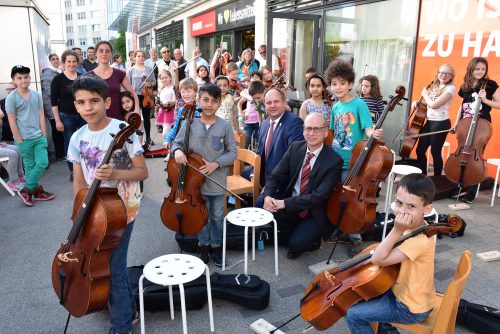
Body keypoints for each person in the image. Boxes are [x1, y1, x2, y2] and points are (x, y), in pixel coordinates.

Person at [67, 75, 148, 334]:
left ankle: (123, 323)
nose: (88, 107)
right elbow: (79, 181)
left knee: (112, 266)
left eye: (94, 101)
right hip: (94, 209)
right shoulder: (77, 137)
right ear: (76, 106)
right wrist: (79, 213)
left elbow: (142, 172)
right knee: (106, 264)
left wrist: (114, 174)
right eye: (81, 102)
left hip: (122, 209)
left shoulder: (124, 129)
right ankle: (127, 307)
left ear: (107, 101)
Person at [346, 173, 437, 333]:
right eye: (399, 203)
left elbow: (379, 258)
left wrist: (396, 229)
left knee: (353, 315)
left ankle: (384, 326)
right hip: (407, 293)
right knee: (363, 292)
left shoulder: (419, 240)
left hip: (408, 307)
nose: (402, 211)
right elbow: (383, 249)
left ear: (427, 209)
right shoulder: (415, 227)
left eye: (411, 206)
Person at [258, 113, 343, 258]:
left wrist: (283, 203)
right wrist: (267, 197)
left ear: (325, 132)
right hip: (292, 203)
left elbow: (319, 196)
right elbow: (275, 176)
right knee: (261, 202)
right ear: (303, 130)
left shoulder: (334, 161)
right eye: (308, 128)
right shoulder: (295, 148)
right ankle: (294, 232)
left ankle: (303, 237)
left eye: (317, 129)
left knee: (296, 245)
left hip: (313, 211)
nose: (311, 133)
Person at [172, 84, 237, 266]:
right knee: (201, 217)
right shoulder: (189, 123)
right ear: (198, 100)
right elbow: (176, 144)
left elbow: (233, 152)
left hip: (216, 183)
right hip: (194, 184)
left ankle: (216, 247)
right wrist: (177, 151)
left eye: (214, 101)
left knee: (217, 217)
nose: (209, 104)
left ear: (219, 102)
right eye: (205, 100)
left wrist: (216, 164)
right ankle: (203, 247)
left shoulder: (225, 125)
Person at [325, 59, 383, 257]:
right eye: (334, 83)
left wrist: (372, 134)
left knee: (351, 201)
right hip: (336, 159)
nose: (338, 87)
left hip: (354, 162)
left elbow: (368, 128)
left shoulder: (359, 104)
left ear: (350, 84)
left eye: (342, 83)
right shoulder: (334, 107)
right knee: (336, 195)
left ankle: (355, 238)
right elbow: (332, 132)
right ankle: (339, 227)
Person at [452, 57, 500, 203]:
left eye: (483, 69)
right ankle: (460, 186)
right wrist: (456, 122)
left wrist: (485, 100)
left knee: (476, 156)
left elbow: (499, 104)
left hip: (481, 126)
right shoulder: (465, 85)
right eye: (477, 68)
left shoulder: (490, 85)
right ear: (471, 69)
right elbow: (462, 105)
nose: (480, 71)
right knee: (462, 154)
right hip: (465, 124)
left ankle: (471, 191)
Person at [5, 65, 55, 206]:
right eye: (19, 78)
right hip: (24, 139)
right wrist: (19, 139)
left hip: (39, 137)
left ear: (30, 78)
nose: (23, 80)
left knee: (43, 163)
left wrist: (44, 135)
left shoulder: (36, 95)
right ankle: (36, 191)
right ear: (14, 80)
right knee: (31, 166)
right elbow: (12, 120)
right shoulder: (11, 98)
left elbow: (41, 115)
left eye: (26, 77)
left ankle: (27, 189)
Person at [256, 88, 304, 187]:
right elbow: (259, 152)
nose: (272, 105)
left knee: (260, 203)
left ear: (284, 102)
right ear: (265, 105)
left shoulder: (294, 123)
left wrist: (270, 185)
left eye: (276, 101)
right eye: (269, 103)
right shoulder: (264, 124)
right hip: (263, 177)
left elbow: (292, 158)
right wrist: (254, 175)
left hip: (280, 182)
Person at [414, 65, 456, 176]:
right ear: (437, 73)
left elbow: (433, 105)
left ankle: (437, 180)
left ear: (451, 76)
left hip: (441, 123)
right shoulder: (435, 86)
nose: (444, 75)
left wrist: (424, 94)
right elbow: (428, 103)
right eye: (441, 72)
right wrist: (418, 103)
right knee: (420, 150)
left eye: (447, 73)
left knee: (435, 152)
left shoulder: (450, 89)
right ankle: (423, 176)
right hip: (430, 122)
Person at [51, 50, 85, 179]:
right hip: (66, 116)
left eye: (74, 61)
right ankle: (73, 171)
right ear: (64, 63)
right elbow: (53, 101)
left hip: (82, 115)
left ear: (77, 62)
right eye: (68, 61)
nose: (71, 64)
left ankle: (85, 167)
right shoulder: (57, 79)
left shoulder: (81, 77)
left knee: (85, 141)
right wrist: (57, 120)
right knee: (70, 142)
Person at [90, 41, 140, 121]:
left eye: (107, 51)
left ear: (111, 54)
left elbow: (133, 93)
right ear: (96, 54)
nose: (104, 53)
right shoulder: (89, 76)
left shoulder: (119, 74)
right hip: (97, 119)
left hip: (117, 118)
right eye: (101, 51)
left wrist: (137, 110)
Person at [127, 50, 156, 147]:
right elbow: (128, 84)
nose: (141, 58)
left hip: (146, 95)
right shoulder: (131, 70)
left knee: (147, 118)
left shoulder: (149, 69)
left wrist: (149, 84)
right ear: (135, 58)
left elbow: (154, 82)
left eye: (142, 56)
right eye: (138, 56)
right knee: (136, 118)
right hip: (135, 95)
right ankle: (136, 138)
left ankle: (148, 137)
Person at [163, 78, 200, 152]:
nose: (186, 94)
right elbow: (176, 127)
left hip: (198, 145)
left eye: (189, 91)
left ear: (196, 92)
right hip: (183, 143)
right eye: (183, 92)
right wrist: (168, 139)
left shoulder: (200, 109)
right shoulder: (182, 110)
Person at [41, 53, 65, 160]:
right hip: (51, 107)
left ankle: (62, 152)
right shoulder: (47, 74)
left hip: (58, 106)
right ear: (49, 61)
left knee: (60, 131)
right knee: (56, 132)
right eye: (53, 59)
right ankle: (59, 154)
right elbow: (49, 91)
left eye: (57, 58)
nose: (56, 60)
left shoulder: (57, 71)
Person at [239, 80, 265, 149]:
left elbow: (259, 112)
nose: (256, 100)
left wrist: (261, 124)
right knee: (246, 141)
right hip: (248, 121)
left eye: (258, 98)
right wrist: (249, 97)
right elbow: (242, 93)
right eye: (254, 99)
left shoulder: (264, 99)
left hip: (257, 122)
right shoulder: (250, 93)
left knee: (259, 140)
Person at [156, 70, 176, 140]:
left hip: (170, 111)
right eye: (162, 78)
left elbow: (175, 101)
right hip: (163, 111)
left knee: (166, 133)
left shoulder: (173, 88)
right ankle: (170, 146)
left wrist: (168, 102)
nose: (164, 79)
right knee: (167, 131)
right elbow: (159, 101)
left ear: (170, 77)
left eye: (166, 77)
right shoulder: (161, 89)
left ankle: (170, 145)